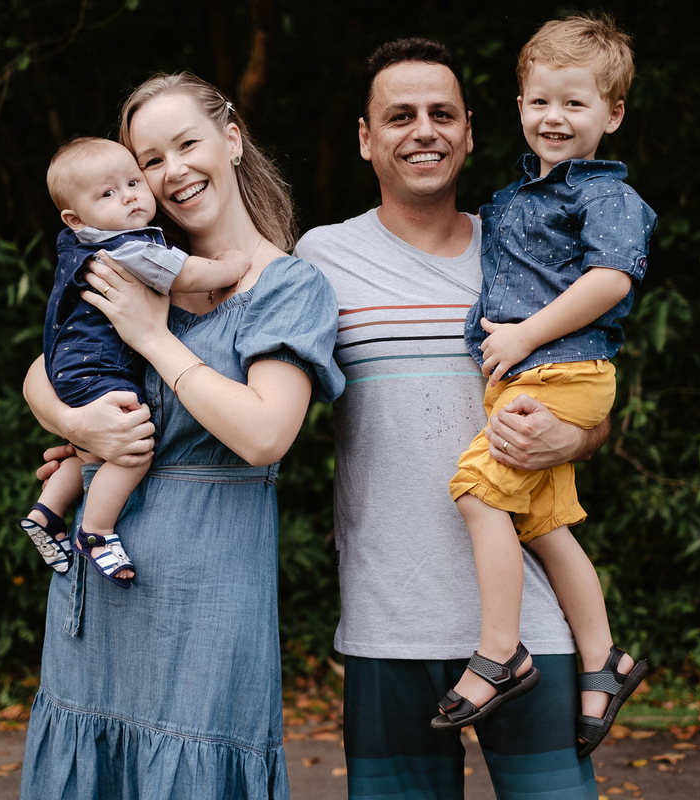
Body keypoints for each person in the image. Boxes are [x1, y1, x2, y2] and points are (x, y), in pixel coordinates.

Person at [294, 38, 607, 800]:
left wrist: (576, 437)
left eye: (442, 113)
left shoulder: (529, 252)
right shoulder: (321, 258)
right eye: (399, 116)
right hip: (386, 620)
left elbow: (585, 399)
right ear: (367, 140)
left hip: (530, 625)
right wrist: (87, 435)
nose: (423, 130)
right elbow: (241, 380)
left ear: (470, 132)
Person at [19, 72, 344, 799]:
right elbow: (42, 370)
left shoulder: (289, 286)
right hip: (98, 590)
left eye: (187, 144)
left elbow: (265, 434)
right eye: (149, 160)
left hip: (206, 592)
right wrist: (78, 425)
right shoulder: (132, 265)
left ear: (231, 140)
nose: (172, 172)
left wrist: (153, 337)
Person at [441, 14, 654, 756]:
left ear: (612, 114)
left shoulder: (603, 197)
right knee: (542, 523)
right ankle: (605, 659)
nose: (554, 118)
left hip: (561, 370)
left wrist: (526, 335)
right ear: (520, 105)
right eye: (540, 102)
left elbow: (611, 277)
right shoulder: (513, 197)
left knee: (474, 490)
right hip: (533, 375)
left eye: (575, 103)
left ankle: (502, 651)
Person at [19, 136, 250, 587]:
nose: (128, 196)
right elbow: (186, 276)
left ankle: (46, 512)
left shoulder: (77, 245)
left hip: (69, 368)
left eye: (132, 182)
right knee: (134, 448)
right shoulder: (127, 247)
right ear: (75, 217)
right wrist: (230, 267)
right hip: (99, 370)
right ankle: (97, 531)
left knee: (93, 451)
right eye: (108, 194)